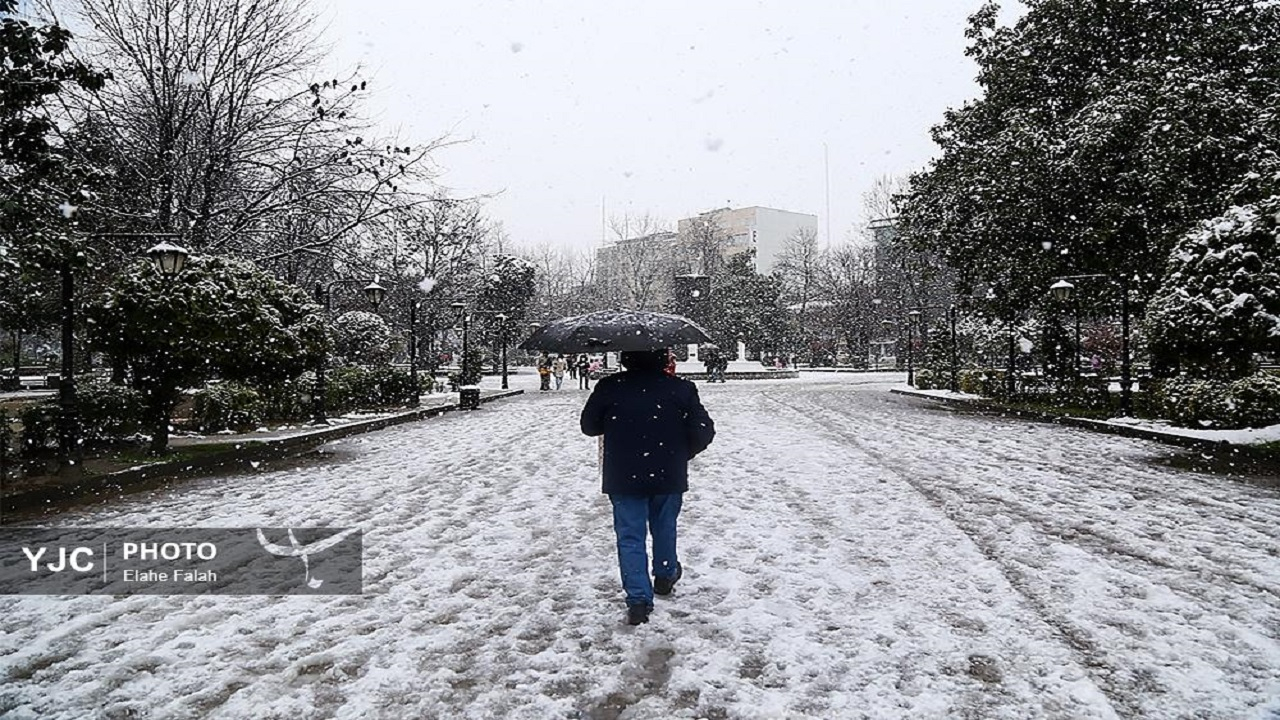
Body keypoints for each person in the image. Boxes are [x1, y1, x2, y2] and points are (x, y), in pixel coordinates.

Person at [580, 348, 716, 626]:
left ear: (625, 359)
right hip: (668, 471)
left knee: (630, 536)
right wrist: (682, 452)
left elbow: (589, 426)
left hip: (623, 472)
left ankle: (638, 600)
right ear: (662, 359)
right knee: (665, 525)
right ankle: (665, 574)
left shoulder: (610, 387)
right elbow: (704, 429)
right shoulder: (681, 389)